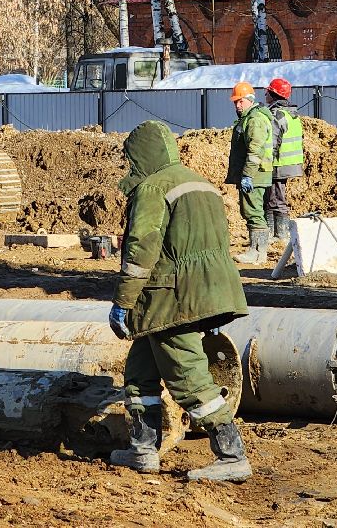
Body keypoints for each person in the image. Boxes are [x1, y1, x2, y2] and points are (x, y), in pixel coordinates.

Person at [107, 120, 253, 483]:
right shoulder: (199, 182)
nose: (129, 167)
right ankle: (143, 450)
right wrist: (212, 305)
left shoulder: (153, 187)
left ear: (141, 155)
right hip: (203, 291)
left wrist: (123, 301)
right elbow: (214, 244)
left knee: (188, 377)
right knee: (140, 375)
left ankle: (231, 454)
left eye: (131, 159)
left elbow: (142, 249)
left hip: (168, 298)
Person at [224, 81, 273, 265]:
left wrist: (248, 175)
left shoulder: (255, 120)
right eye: (235, 102)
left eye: (240, 101)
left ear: (250, 100)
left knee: (253, 212)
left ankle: (257, 252)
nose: (237, 105)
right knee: (251, 211)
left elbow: (255, 151)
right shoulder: (249, 117)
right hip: (254, 173)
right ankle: (258, 252)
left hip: (256, 174)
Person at [263, 77, 304, 244]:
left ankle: (280, 235)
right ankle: (277, 234)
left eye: (267, 92)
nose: (265, 94)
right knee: (275, 197)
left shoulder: (276, 115)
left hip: (278, 164)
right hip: (290, 163)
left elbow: (272, 142)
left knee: (275, 199)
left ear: (274, 95)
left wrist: (264, 164)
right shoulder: (292, 114)